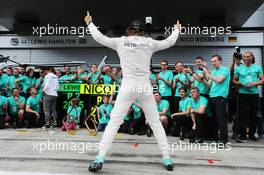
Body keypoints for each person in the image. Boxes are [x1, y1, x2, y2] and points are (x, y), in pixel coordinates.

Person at [84, 12, 180, 172]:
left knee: (114, 122)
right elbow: (169, 42)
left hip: (128, 86)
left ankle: (100, 158)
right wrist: (177, 29)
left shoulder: (121, 42)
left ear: (129, 31)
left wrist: (89, 23)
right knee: (155, 123)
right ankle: (167, 158)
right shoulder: (150, 43)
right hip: (144, 87)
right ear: (142, 31)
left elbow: (99, 38)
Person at [233, 52, 264, 142]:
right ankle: (243, 136)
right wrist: (240, 84)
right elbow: (234, 80)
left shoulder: (257, 67)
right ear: (243, 58)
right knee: (243, 115)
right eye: (245, 57)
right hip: (242, 94)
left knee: (254, 115)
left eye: (248, 56)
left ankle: (251, 134)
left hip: (254, 94)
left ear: (252, 57)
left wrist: (254, 83)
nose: (246, 58)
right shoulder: (239, 68)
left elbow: (262, 80)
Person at [202, 55, 231, 144]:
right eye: (212, 62)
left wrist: (208, 74)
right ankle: (215, 138)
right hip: (212, 97)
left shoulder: (225, 70)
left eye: (215, 61)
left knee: (221, 118)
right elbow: (209, 85)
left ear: (220, 61)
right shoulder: (213, 72)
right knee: (214, 119)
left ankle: (223, 140)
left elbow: (219, 80)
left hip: (221, 97)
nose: (213, 63)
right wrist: (202, 78)